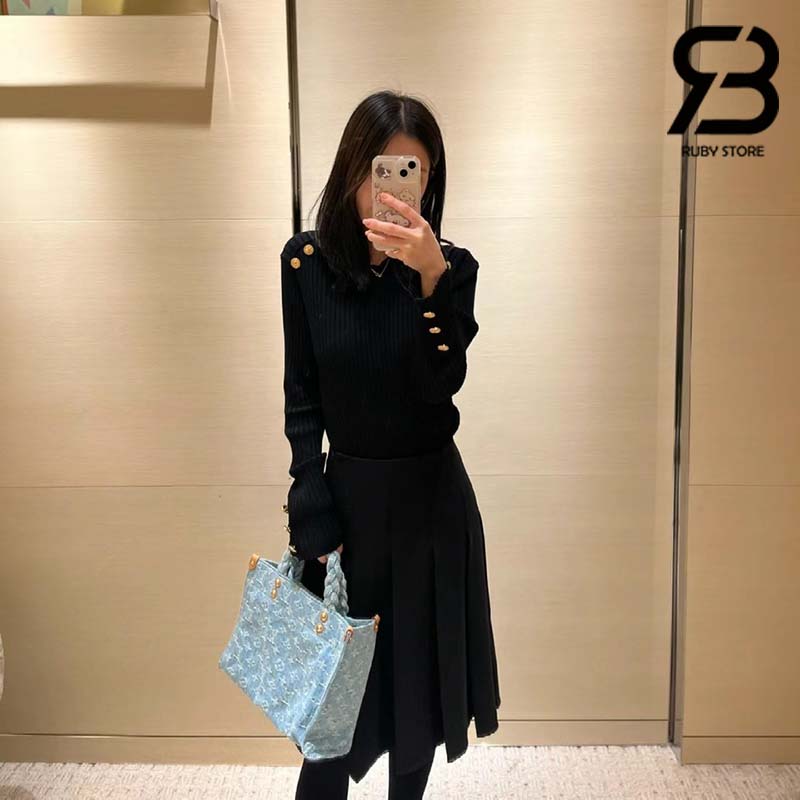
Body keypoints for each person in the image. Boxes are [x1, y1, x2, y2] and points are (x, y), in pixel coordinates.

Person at [282, 90, 501, 800]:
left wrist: (432, 280)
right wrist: (309, 496)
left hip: (431, 510)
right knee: (330, 720)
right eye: (384, 170)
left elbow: (444, 382)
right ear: (354, 170)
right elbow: (301, 394)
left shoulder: (451, 270)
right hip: (346, 509)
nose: (397, 190)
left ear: (430, 183)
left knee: (417, 711)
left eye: (415, 174)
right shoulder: (305, 264)